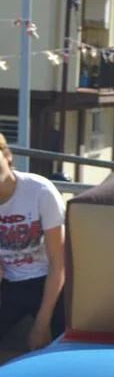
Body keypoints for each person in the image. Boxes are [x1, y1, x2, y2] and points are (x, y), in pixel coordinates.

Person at [0, 134, 67, 352]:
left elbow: (59, 262)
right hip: (10, 282)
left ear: (7, 155)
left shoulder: (40, 191)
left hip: (47, 279)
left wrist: (41, 323)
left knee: (62, 342)